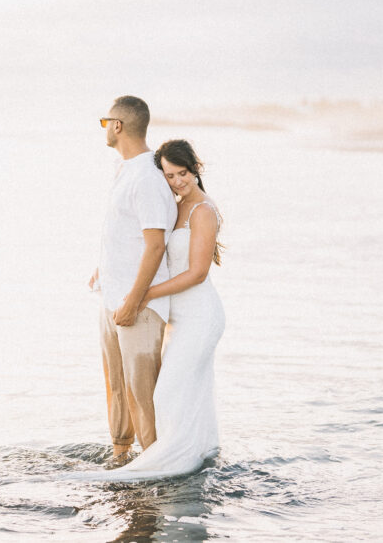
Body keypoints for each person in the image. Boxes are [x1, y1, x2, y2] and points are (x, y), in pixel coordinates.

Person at [102, 138, 226, 480]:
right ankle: (197, 453)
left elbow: (198, 273)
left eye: (182, 173)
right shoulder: (175, 205)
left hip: (200, 316)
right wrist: (109, 270)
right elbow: (143, 244)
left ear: (195, 169)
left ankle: (173, 463)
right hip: (178, 319)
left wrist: (144, 294)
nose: (176, 182)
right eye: (169, 176)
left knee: (168, 391)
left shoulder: (202, 210)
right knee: (187, 391)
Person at [90, 96, 178, 459]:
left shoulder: (147, 177)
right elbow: (123, 230)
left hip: (137, 304)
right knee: (116, 387)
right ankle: (120, 459)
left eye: (104, 121)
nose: (104, 129)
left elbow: (155, 247)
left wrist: (132, 301)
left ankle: (155, 469)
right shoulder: (124, 168)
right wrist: (103, 269)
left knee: (143, 393)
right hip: (111, 296)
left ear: (118, 126)